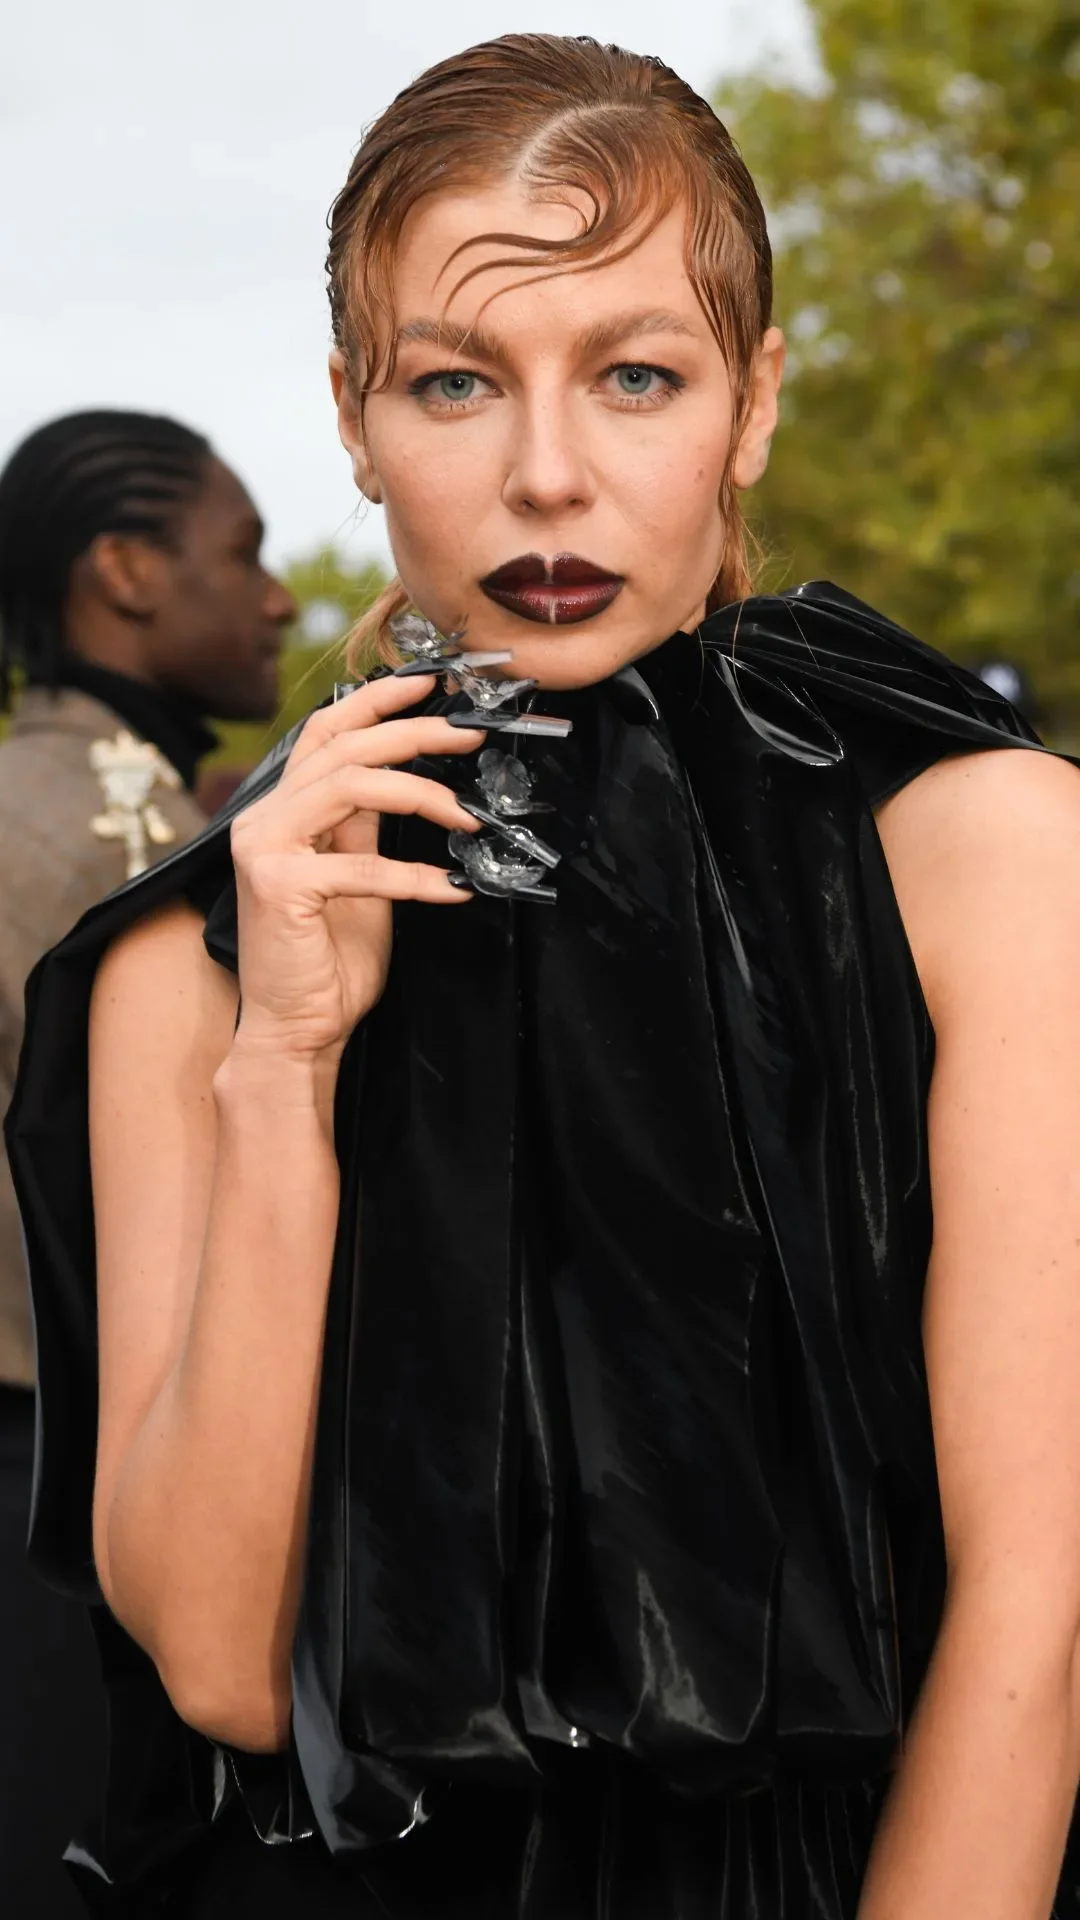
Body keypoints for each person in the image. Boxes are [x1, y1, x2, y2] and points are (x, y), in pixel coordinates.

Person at [7, 33, 1080, 1919]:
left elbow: (1039, 1613)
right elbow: (225, 1670)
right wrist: (284, 1061)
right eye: (454, 382)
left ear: (752, 403)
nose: (548, 475)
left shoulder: (986, 853)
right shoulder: (187, 959)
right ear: (354, 418)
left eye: (638, 375)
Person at [0, 408, 295, 1918]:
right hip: (77, 1515)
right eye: (238, 551)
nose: (282, 595)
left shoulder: (110, 808)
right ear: (121, 571)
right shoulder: (113, 860)